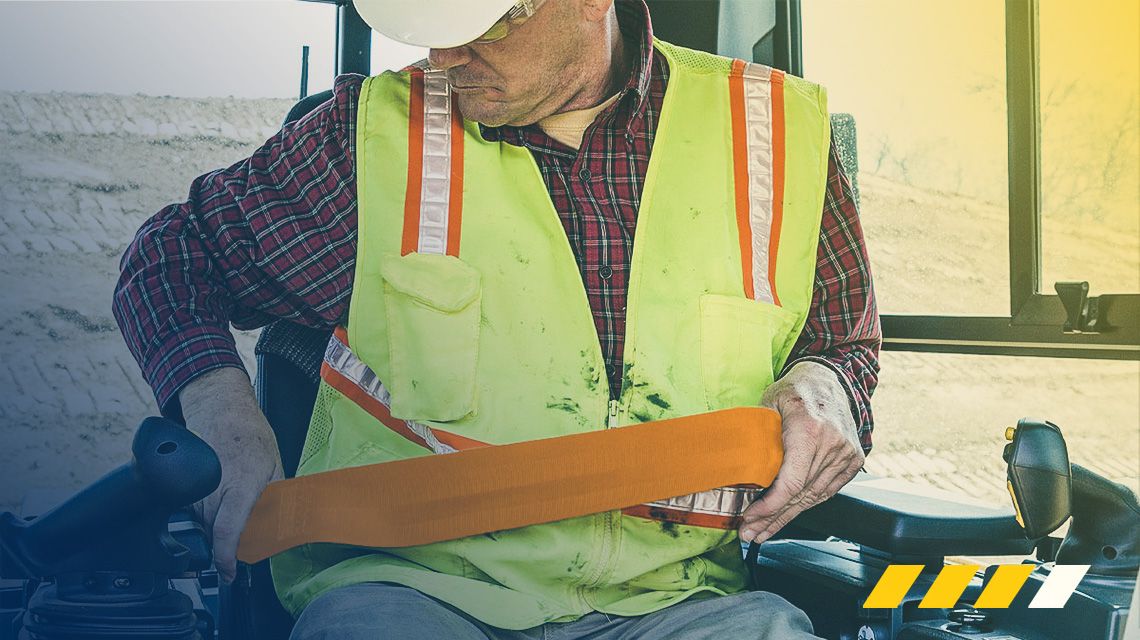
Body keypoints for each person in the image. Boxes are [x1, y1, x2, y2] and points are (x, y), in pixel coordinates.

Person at [113, 0, 880, 637]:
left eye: (482, 24)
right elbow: (172, 257)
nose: (444, 56)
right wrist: (218, 408)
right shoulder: (370, 137)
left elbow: (842, 345)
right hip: (414, 592)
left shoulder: (775, 134)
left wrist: (827, 383)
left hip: (680, 602)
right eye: (431, 27)